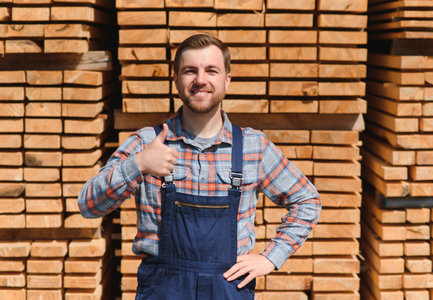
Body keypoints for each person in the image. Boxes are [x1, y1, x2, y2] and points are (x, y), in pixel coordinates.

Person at [78, 34, 321, 299]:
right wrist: (139, 164)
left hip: (229, 287)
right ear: (176, 80)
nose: (200, 80)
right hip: (163, 289)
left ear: (227, 80)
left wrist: (271, 258)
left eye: (211, 71)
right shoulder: (146, 143)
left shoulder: (254, 147)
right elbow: (89, 205)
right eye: (190, 71)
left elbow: (307, 201)